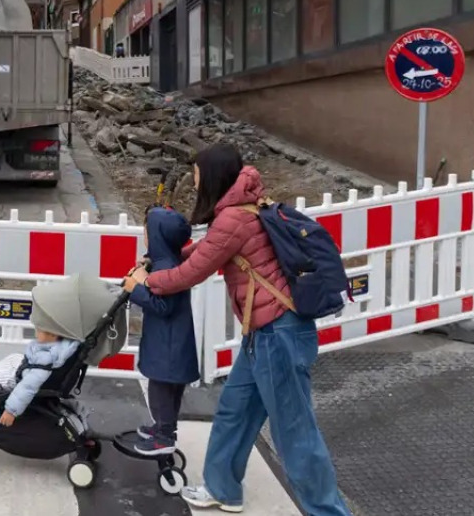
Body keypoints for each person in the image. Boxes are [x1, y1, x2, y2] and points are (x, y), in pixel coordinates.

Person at [127, 144, 351, 516]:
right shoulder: (245, 205)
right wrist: (169, 257)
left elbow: (191, 274)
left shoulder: (232, 218)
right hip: (262, 336)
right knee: (234, 412)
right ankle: (223, 489)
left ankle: (328, 512)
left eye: (197, 175)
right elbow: (207, 251)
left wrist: (144, 284)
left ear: (212, 176)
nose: (195, 183)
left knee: (295, 435)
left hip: (278, 335)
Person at [121, 205, 199, 456]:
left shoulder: (166, 269)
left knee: (160, 389)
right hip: (172, 341)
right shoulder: (169, 261)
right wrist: (148, 263)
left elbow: (162, 305)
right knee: (168, 390)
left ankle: (164, 437)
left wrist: (136, 289)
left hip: (168, 344)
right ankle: (164, 428)